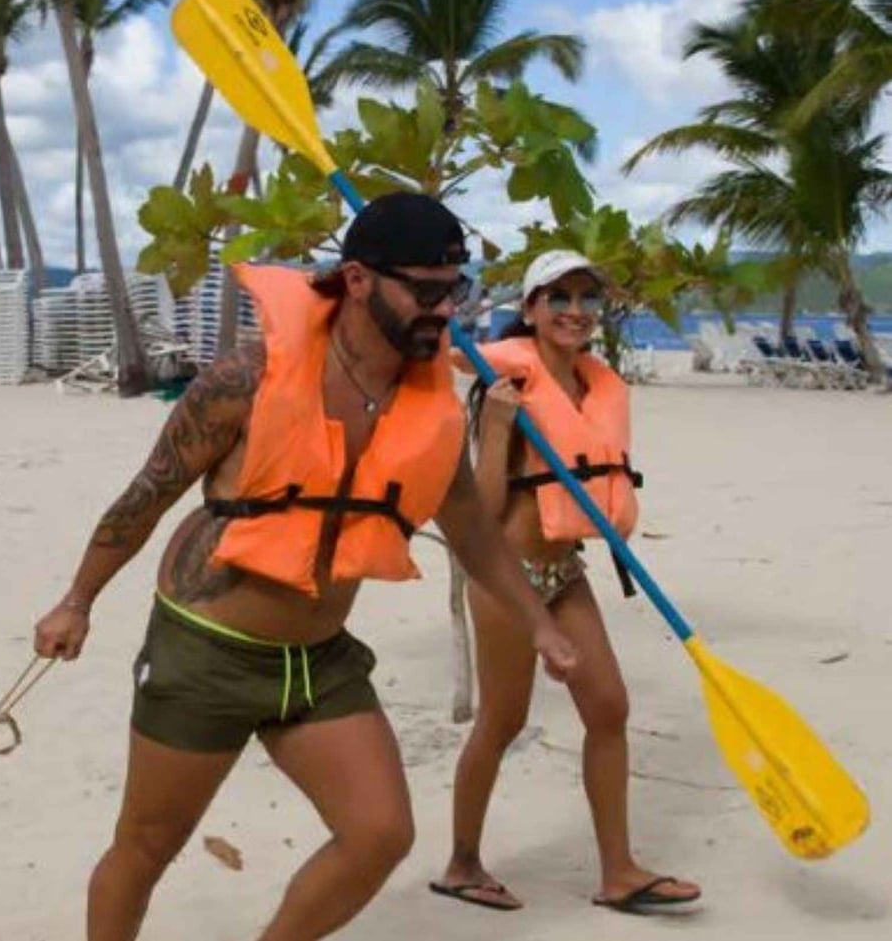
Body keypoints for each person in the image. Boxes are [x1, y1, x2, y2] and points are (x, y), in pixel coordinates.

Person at [33, 194, 579, 941]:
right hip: (206, 652)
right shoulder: (248, 377)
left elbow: (475, 534)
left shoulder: (431, 407)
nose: (443, 307)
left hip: (318, 662)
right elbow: (148, 492)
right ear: (357, 279)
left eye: (455, 289)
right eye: (423, 289)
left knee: (380, 832)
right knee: (147, 844)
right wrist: (78, 599)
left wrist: (541, 624)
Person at [431, 250, 702, 914]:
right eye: (558, 297)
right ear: (529, 309)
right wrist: (495, 426)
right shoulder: (506, 388)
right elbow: (485, 510)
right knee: (503, 719)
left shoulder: (595, 384)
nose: (575, 310)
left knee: (609, 707)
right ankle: (463, 862)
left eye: (587, 298)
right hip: (504, 577)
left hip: (563, 571)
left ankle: (618, 870)